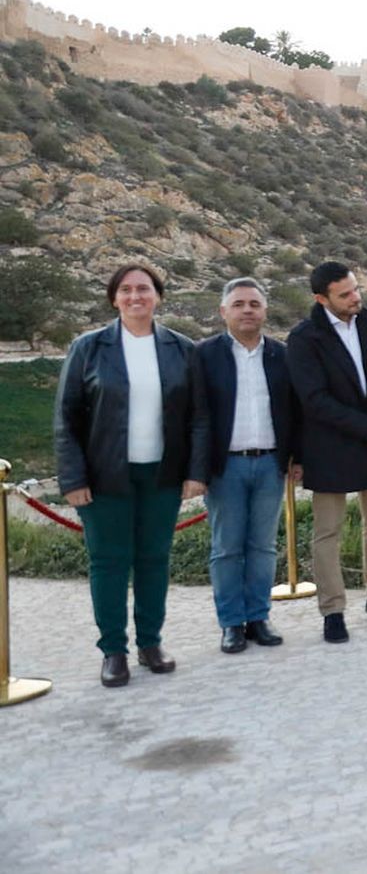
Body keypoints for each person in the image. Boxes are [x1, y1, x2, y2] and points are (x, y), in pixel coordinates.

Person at [53, 263, 209, 687]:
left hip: (162, 475)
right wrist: (73, 478)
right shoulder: (89, 347)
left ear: (158, 296)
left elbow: (198, 418)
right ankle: (113, 651)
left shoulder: (182, 349)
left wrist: (196, 472)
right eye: (126, 289)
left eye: (144, 288)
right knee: (108, 563)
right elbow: (66, 418)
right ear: (114, 298)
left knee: (154, 560)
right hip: (104, 478)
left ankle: (150, 643)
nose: (135, 296)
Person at [285, 261, 367, 644]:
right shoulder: (303, 338)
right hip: (329, 447)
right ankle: (332, 610)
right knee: (327, 532)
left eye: (355, 289)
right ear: (321, 298)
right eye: (345, 294)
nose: (355, 298)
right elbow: (314, 400)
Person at [197, 278, 300, 655]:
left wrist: (296, 457)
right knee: (226, 547)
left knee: (262, 546)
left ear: (264, 311)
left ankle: (259, 617)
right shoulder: (204, 355)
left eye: (254, 304)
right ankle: (230, 624)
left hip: (271, 463)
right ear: (223, 311)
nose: (247, 310)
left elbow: (295, 409)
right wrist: (196, 469)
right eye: (238, 304)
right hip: (225, 467)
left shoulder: (281, 355)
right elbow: (193, 415)